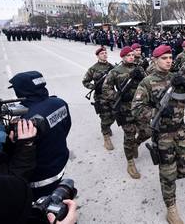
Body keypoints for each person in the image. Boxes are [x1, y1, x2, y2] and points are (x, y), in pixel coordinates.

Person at [131, 45, 185, 224]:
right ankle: (171, 207)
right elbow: (136, 109)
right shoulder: (147, 82)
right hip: (163, 134)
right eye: (164, 58)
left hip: (181, 129)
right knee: (167, 172)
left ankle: (169, 181)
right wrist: (155, 113)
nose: (169, 61)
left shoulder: (177, 78)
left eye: (170, 57)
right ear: (155, 60)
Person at [8, 71, 72, 200]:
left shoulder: (26, 120)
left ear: (22, 91)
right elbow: (66, 127)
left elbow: (21, 156)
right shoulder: (59, 102)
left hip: (40, 179)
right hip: (60, 164)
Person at [102, 46, 150, 179]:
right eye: (128, 55)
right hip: (125, 109)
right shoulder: (115, 72)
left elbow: (148, 83)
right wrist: (119, 96)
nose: (131, 57)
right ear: (122, 57)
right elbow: (106, 89)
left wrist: (142, 76)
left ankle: (136, 144)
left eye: (132, 55)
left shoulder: (139, 68)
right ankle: (130, 162)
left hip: (140, 107)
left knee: (147, 131)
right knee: (129, 135)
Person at [82, 46, 115, 150]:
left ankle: (107, 127)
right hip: (100, 96)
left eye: (105, 53)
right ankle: (106, 137)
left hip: (111, 95)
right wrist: (94, 87)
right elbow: (85, 81)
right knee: (105, 116)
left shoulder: (112, 67)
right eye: (102, 53)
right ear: (97, 56)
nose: (104, 54)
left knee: (114, 114)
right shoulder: (93, 68)